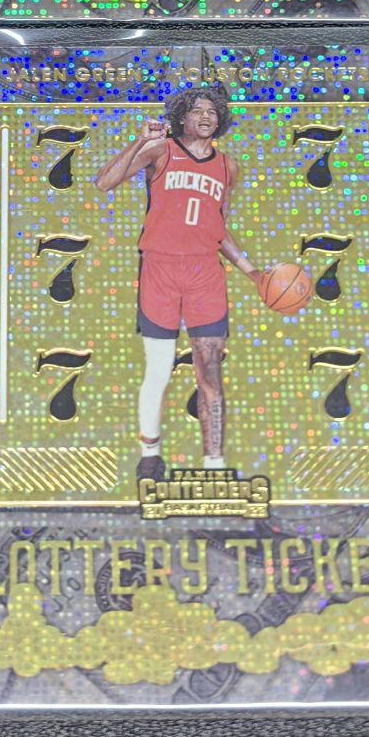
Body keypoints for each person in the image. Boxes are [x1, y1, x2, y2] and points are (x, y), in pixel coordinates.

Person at [93, 83, 259, 483]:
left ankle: (214, 465)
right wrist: (139, 141)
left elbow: (218, 229)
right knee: (159, 369)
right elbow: (104, 182)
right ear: (182, 117)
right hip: (160, 270)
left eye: (212, 112)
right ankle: (150, 454)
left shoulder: (228, 166)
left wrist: (252, 271)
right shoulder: (160, 151)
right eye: (198, 110)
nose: (206, 117)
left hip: (205, 275)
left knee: (210, 372)